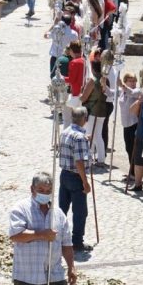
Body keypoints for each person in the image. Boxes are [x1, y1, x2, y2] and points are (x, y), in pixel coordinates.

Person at [58, 107, 92, 253]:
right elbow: (79, 162)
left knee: (62, 210)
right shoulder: (79, 138)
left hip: (64, 174)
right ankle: (77, 242)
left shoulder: (65, 132)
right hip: (75, 177)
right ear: (84, 119)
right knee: (80, 212)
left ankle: (58, 238)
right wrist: (85, 182)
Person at [80, 53, 111, 166]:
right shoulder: (105, 80)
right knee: (98, 135)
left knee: (89, 134)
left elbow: (84, 97)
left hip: (92, 110)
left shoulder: (92, 80)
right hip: (102, 110)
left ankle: (87, 158)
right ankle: (101, 159)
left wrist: (78, 96)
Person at [118, 72, 142, 185]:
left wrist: (122, 85)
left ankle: (135, 174)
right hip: (126, 124)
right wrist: (105, 84)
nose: (133, 83)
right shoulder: (122, 92)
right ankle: (132, 172)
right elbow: (111, 93)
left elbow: (131, 92)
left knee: (134, 150)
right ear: (126, 81)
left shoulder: (137, 91)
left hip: (134, 124)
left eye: (134, 81)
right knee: (128, 149)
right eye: (130, 81)